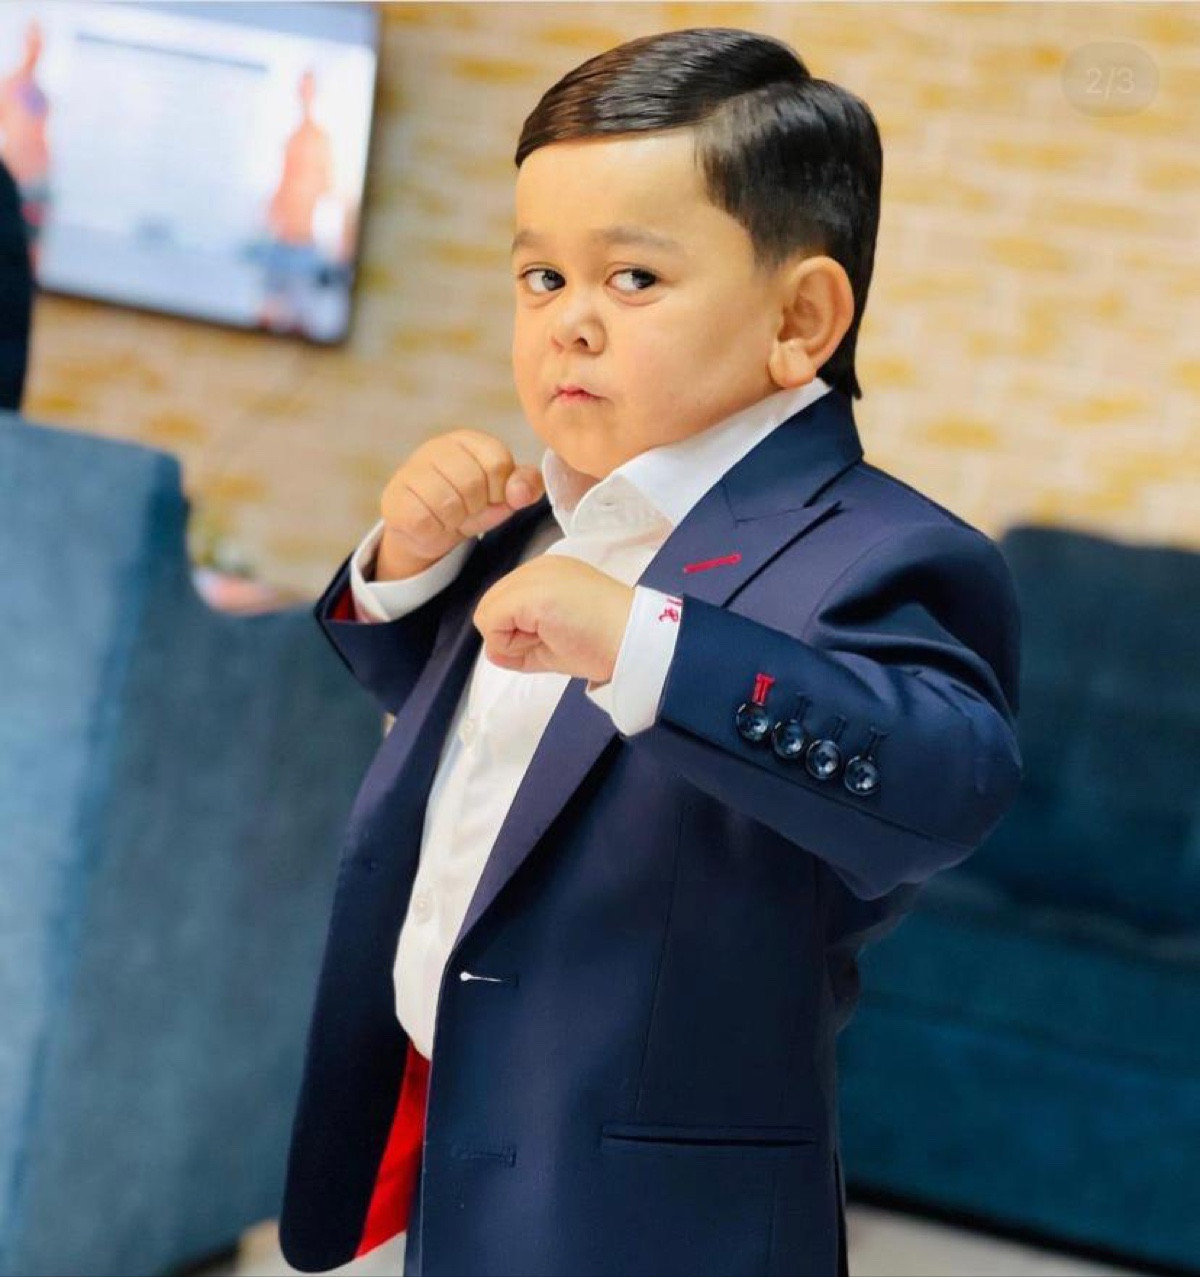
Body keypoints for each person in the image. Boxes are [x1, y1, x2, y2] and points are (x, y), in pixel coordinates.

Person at [278, 27, 1023, 1277]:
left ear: (800, 317)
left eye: (632, 278)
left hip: (660, 1216)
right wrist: (407, 562)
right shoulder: (534, 516)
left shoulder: (886, 550)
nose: (569, 323)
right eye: (541, 277)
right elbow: (495, 747)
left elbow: (944, 780)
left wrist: (647, 644)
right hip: (463, 1142)